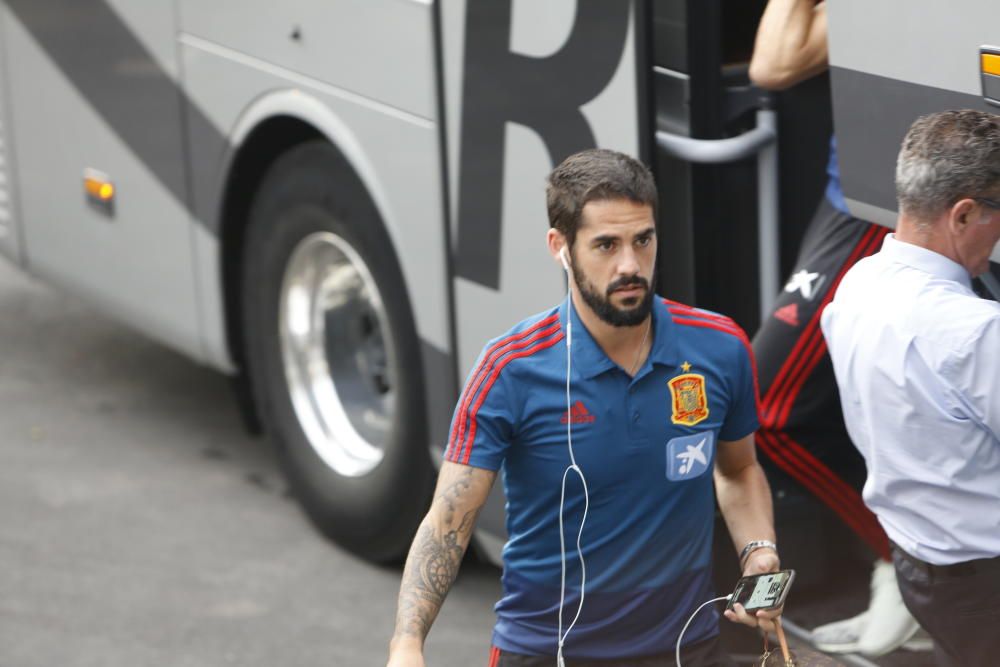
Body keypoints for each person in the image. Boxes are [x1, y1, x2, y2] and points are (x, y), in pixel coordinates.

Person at [386, 149, 781, 667]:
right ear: (561, 247)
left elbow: (738, 469)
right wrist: (407, 643)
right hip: (547, 653)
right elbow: (448, 522)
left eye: (643, 240)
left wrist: (759, 555)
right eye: (606, 245)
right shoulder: (509, 371)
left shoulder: (720, 348)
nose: (630, 265)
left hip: (688, 649)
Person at [748, 0, 923, 655]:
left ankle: (917, 570)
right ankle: (906, 567)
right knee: (845, 396)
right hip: (853, 184)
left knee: (767, 405)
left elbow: (775, 61)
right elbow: (774, 58)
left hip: (902, 194)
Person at [820, 109, 1000, 667]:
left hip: (919, 566)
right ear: (964, 214)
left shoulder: (856, 286)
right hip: (986, 581)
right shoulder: (975, 333)